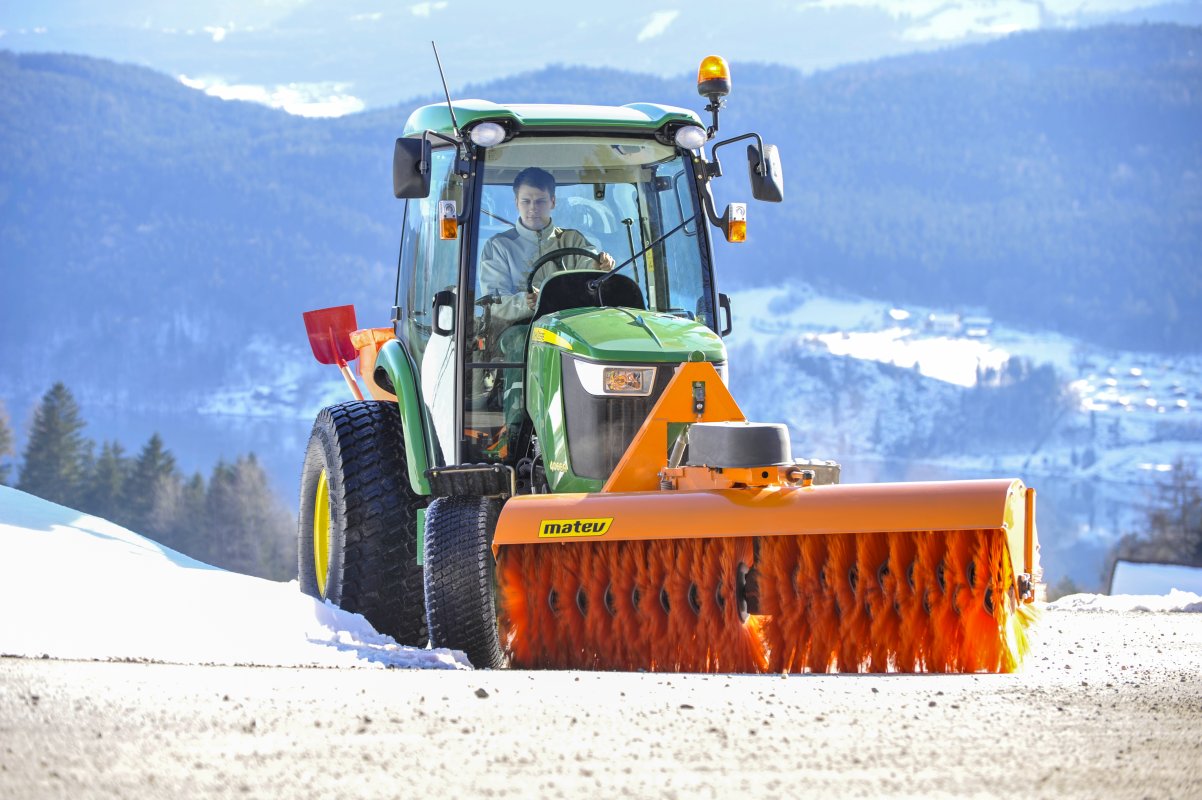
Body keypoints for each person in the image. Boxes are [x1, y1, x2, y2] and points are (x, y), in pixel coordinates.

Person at [478, 167, 615, 323]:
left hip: (571, 325)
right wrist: (525, 302)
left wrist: (600, 265)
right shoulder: (499, 246)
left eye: (540, 201)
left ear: (553, 202)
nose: (533, 208)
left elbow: (589, 267)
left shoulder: (572, 240)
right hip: (519, 331)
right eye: (526, 201)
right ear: (516, 203)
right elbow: (494, 304)